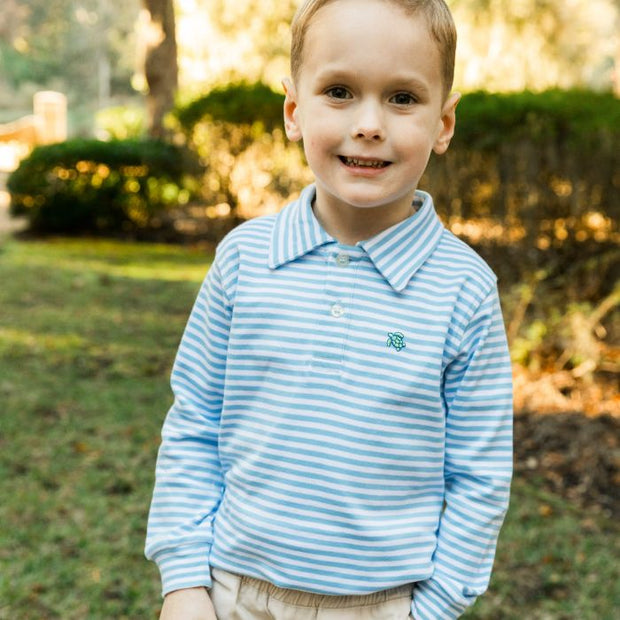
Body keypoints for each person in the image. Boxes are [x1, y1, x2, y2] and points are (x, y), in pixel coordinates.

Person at [145, 0, 513, 618]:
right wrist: (184, 581)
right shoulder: (244, 260)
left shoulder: (463, 289)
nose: (369, 124)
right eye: (339, 91)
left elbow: (479, 477)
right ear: (294, 110)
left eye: (402, 98)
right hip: (233, 592)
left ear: (444, 123)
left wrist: (436, 607)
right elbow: (194, 424)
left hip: (382, 604)